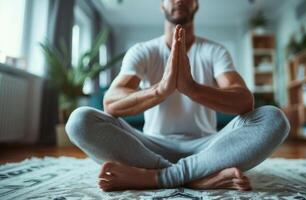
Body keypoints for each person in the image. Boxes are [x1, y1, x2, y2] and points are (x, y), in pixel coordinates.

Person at [65, 0, 290, 192]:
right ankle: (198, 179)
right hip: (148, 147)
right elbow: (111, 103)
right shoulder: (143, 51)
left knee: (274, 119)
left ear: (196, 4)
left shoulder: (215, 51)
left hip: (208, 147)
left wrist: (190, 87)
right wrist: (162, 89)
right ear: (162, 4)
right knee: (79, 121)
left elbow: (244, 101)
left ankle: (157, 177)